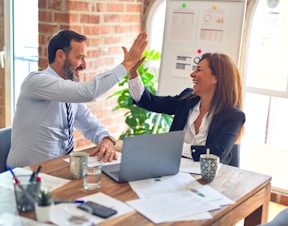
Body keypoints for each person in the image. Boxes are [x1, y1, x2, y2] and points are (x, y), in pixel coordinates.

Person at [7, 29, 148, 168]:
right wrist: (127, 64)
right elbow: (88, 92)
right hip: (25, 176)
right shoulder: (36, 81)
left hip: (57, 170)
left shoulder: (69, 93)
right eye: (80, 57)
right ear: (60, 55)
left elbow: (90, 125)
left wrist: (106, 139)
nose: (84, 65)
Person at [128, 52, 245, 166]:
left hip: (209, 178)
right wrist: (133, 72)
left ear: (216, 78)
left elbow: (216, 153)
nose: (192, 74)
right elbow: (149, 101)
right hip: (173, 170)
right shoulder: (187, 99)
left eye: (199, 69)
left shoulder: (233, 116)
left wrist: (175, 146)